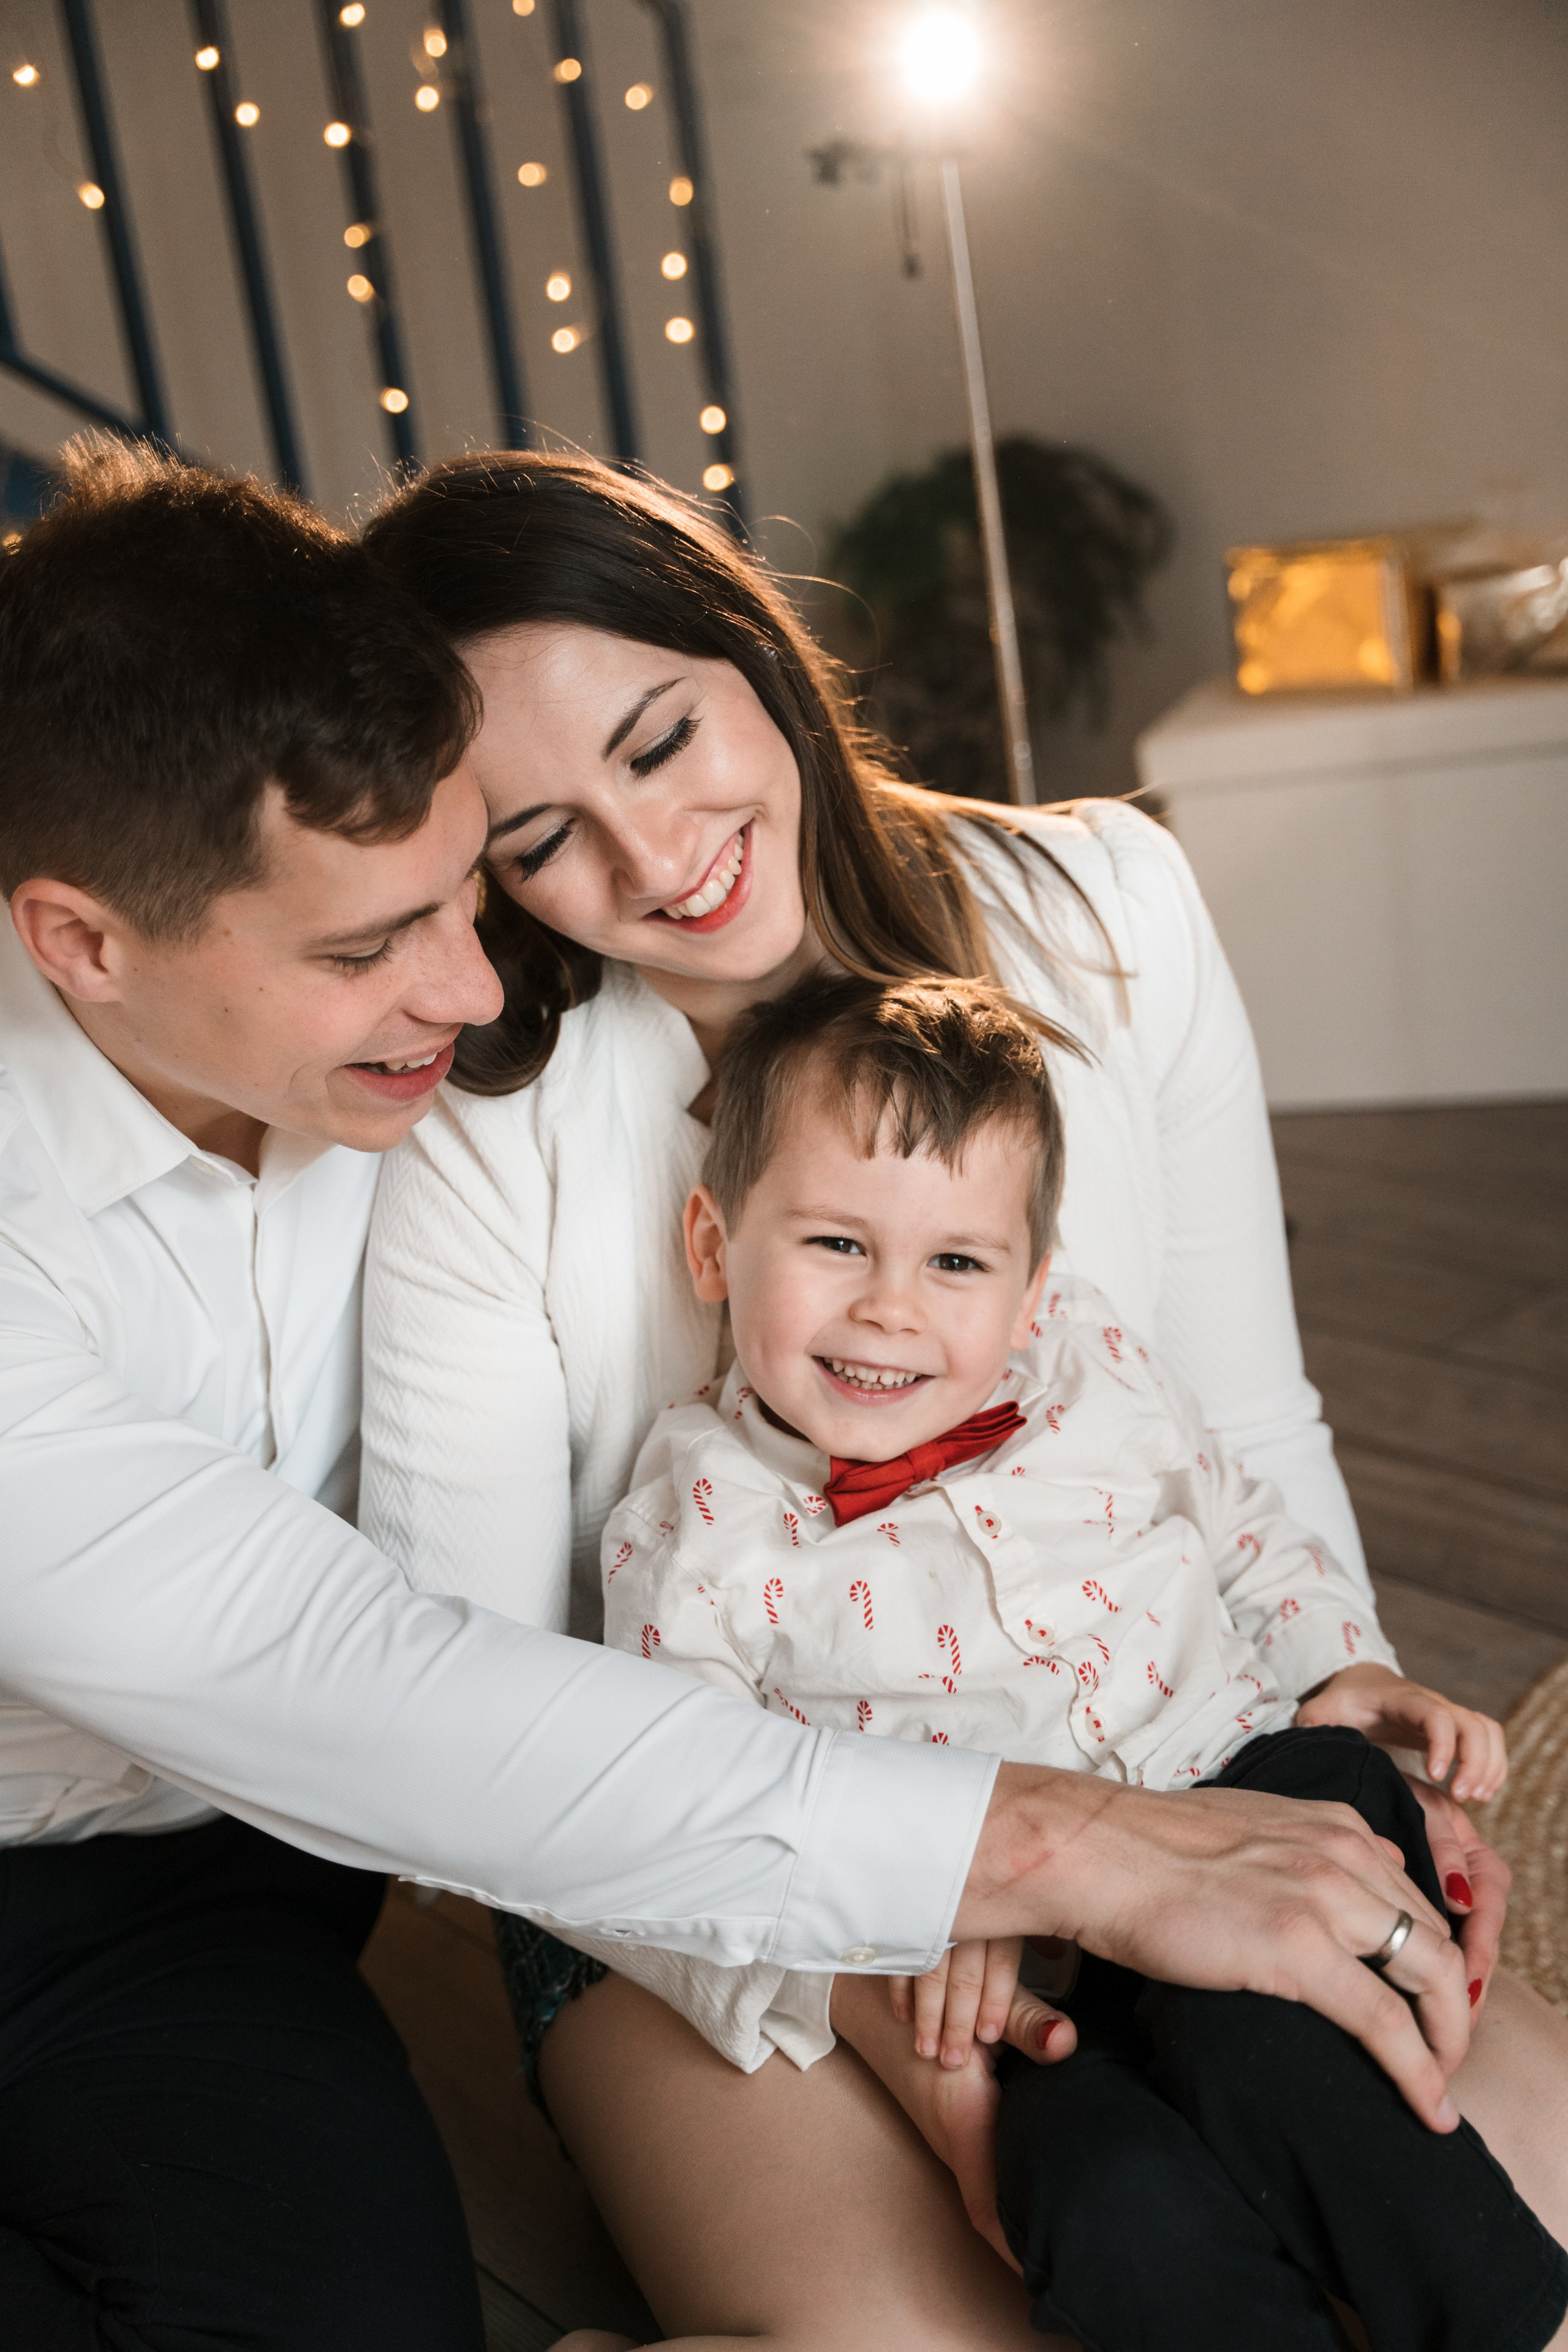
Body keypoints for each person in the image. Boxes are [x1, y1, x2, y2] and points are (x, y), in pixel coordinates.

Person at [0, 441, 1480, 2351]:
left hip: (228, 1884)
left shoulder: (397, 1057)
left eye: (466, 892)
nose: (471, 990)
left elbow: (1236, 1432)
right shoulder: (457, 1128)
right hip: (430, 1820)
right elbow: (367, 1670)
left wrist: (1327, 1718)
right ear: (82, 944)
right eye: (382, 940)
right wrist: (1034, 1870)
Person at [591, 969, 1563, 2352]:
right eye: (836, 1244)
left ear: (1029, 1289)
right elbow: (696, 1819)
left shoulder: (1088, 1359)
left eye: (956, 1263)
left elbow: (1235, 1520)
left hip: (1256, 1783)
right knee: (1092, 2190)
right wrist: (898, 1918)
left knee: (1257, 2025)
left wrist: (1340, 1666)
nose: (891, 1309)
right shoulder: (689, 1524)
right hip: (1019, 1954)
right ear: (712, 1244)